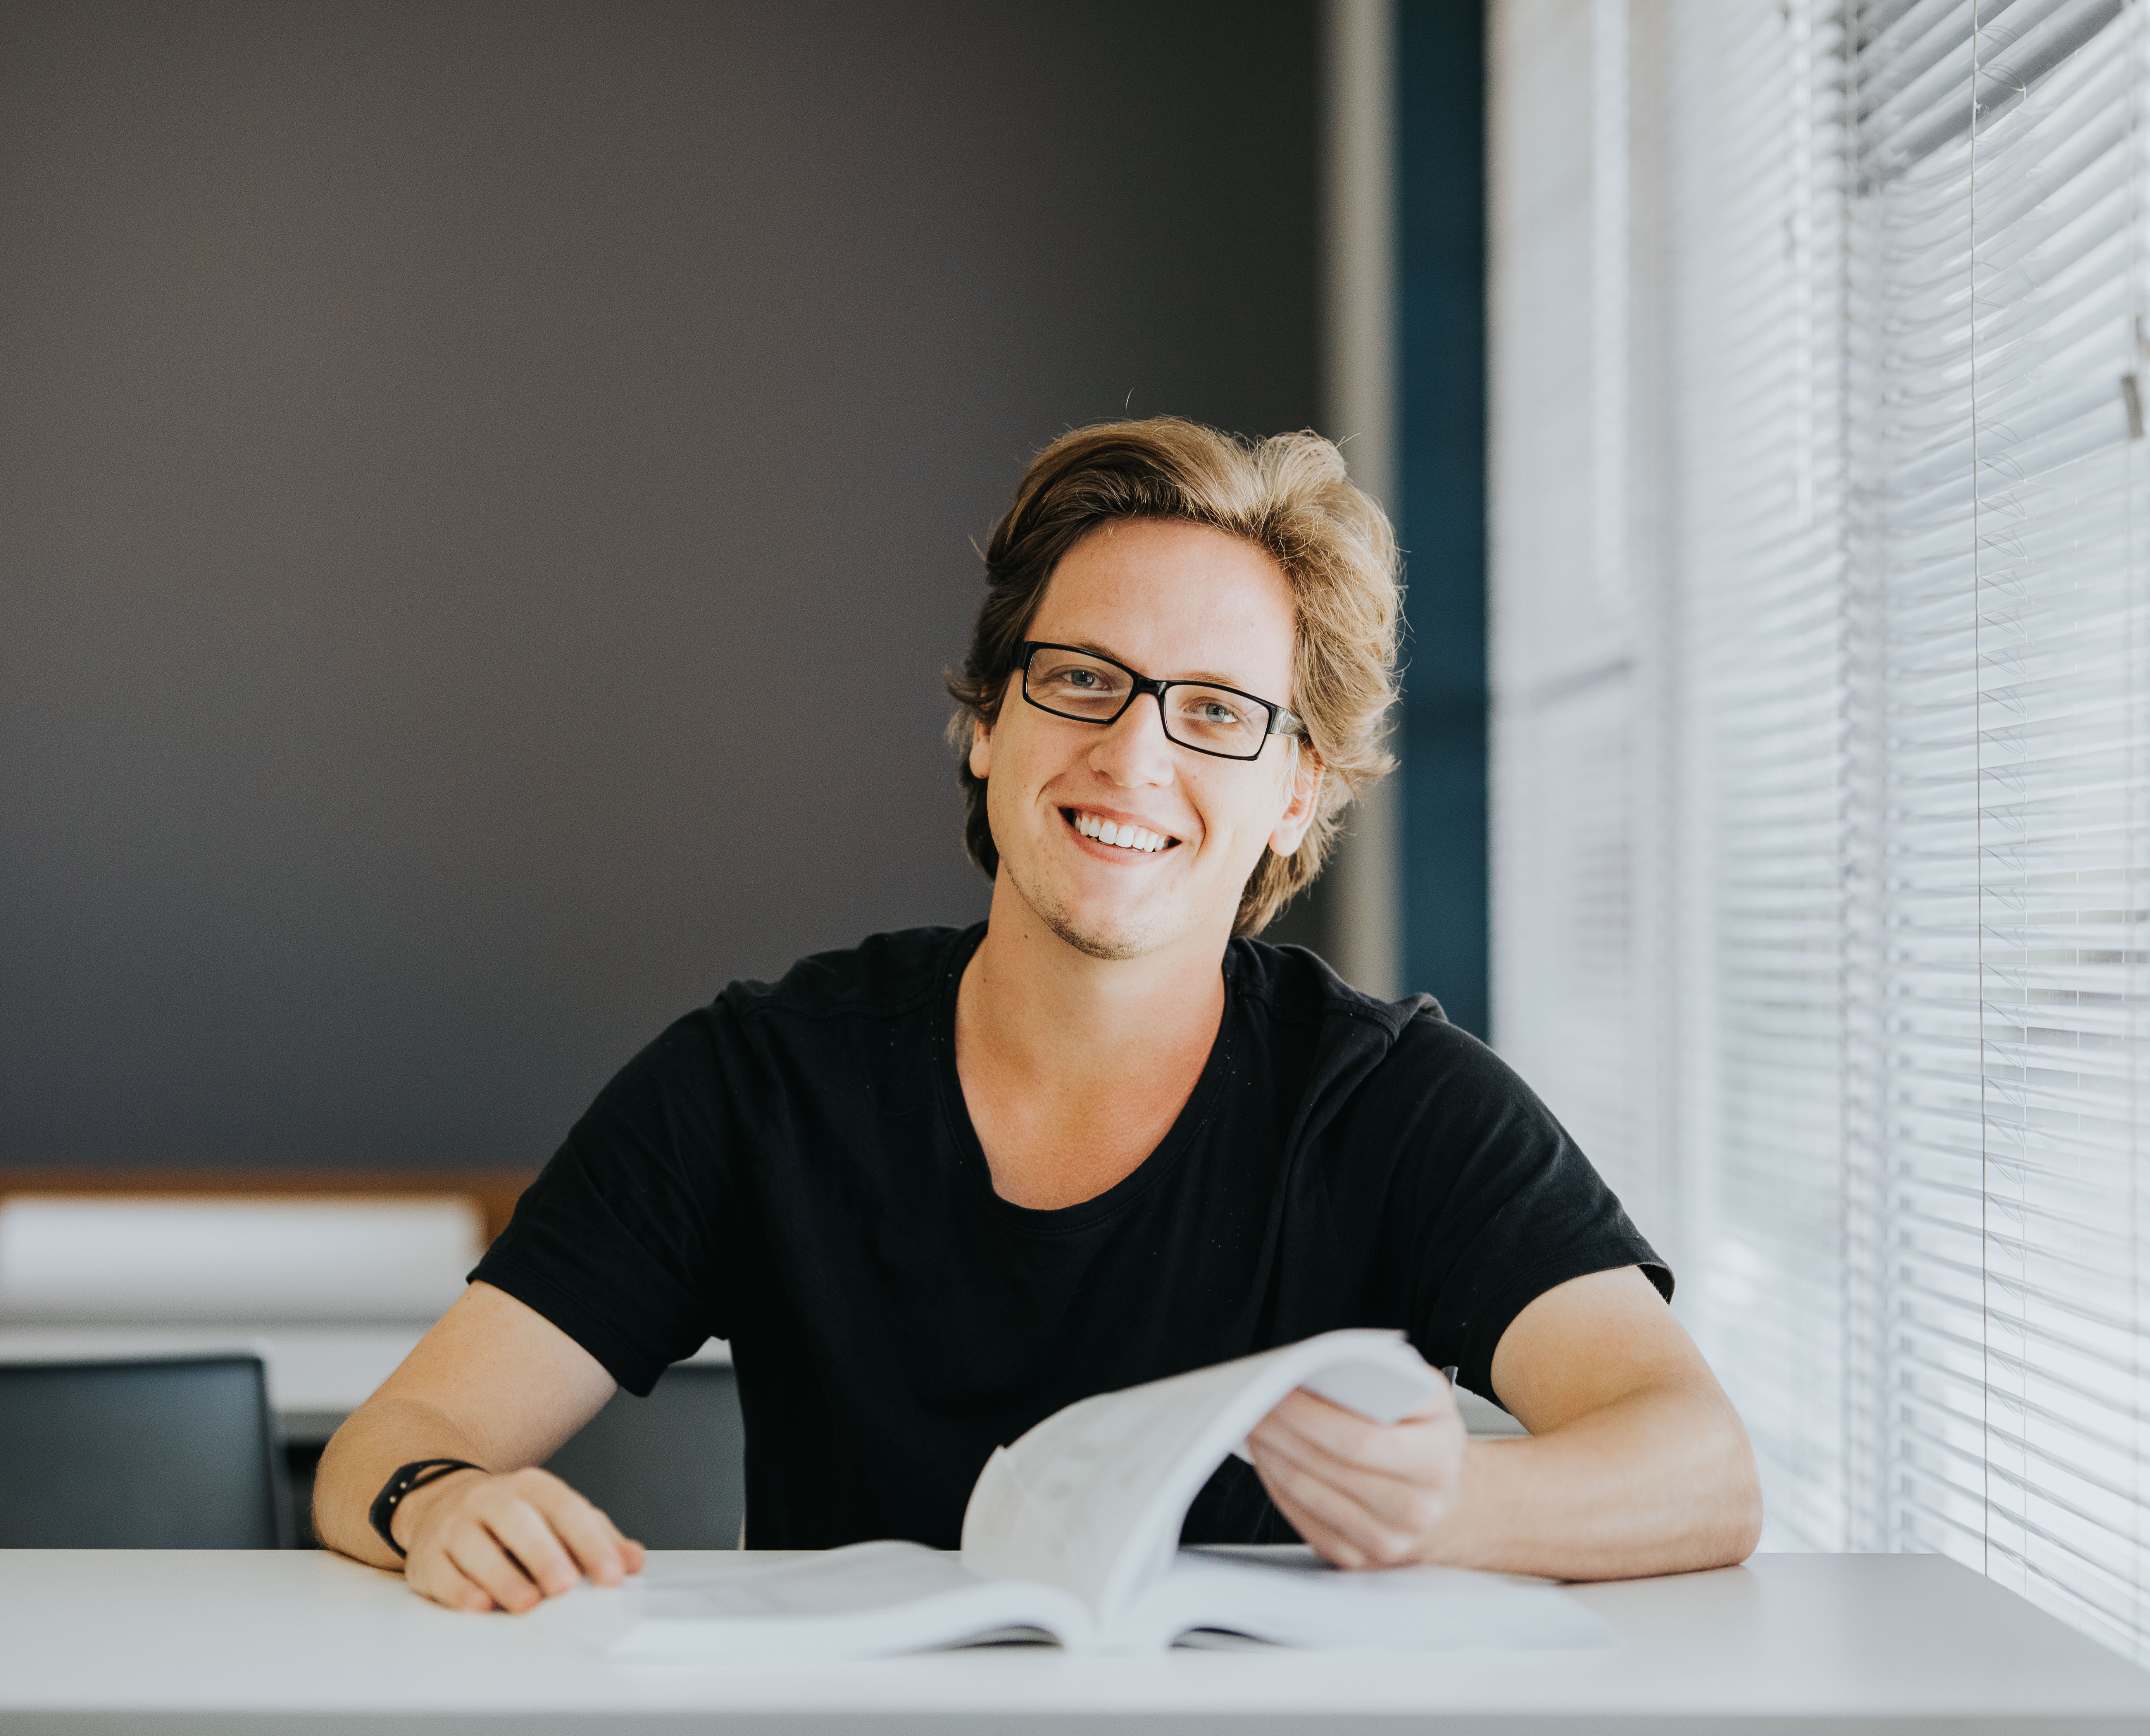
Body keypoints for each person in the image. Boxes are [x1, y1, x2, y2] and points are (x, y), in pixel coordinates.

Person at [313, 418, 1762, 1612]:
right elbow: (394, 1442)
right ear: (991, 723)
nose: (1132, 754)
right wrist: (440, 1503)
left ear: (1298, 792)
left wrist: (1454, 1501)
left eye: (1214, 711)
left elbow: (1700, 1468)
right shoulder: (760, 1078)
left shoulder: (1395, 1101)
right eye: (1082, 681)